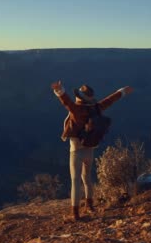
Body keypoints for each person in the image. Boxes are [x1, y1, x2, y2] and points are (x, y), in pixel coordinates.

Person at [51, 80, 134, 221]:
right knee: (87, 178)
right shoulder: (96, 108)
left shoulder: (76, 109)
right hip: (90, 149)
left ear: (79, 97)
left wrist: (59, 90)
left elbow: (66, 101)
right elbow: (110, 100)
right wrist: (122, 91)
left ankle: (76, 213)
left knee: (75, 181)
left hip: (76, 151)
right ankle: (90, 206)